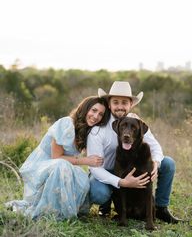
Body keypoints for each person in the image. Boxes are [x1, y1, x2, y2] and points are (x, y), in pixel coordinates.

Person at [87, 81, 182, 224]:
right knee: (100, 192)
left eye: (124, 102)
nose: (120, 106)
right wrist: (122, 182)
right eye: (116, 102)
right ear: (109, 104)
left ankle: (160, 209)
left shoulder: (136, 122)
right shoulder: (99, 129)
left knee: (168, 163)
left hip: (129, 167)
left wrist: (155, 164)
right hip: (106, 170)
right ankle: (105, 205)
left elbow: (156, 147)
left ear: (131, 105)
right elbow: (95, 168)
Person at [6, 96, 110, 220]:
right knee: (62, 165)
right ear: (85, 108)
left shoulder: (87, 130)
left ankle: (64, 209)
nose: (96, 116)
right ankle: (51, 211)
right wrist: (86, 161)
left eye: (100, 114)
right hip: (44, 165)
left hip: (62, 165)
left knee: (82, 178)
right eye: (93, 110)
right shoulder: (66, 123)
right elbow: (56, 157)